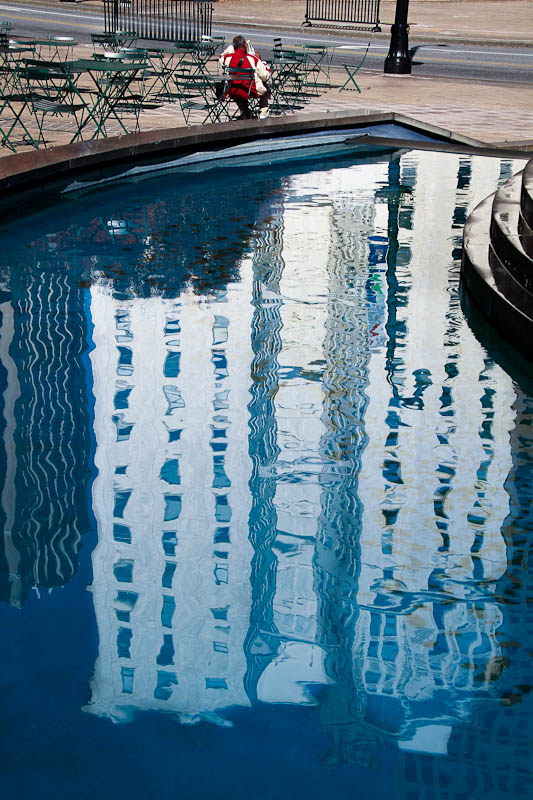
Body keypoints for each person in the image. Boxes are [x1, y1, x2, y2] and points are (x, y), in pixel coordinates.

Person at [219, 35, 272, 120]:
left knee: (237, 90)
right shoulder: (252, 59)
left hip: (233, 91)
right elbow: (265, 76)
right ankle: (263, 112)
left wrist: (231, 47)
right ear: (245, 45)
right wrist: (261, 60)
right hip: (250, 91)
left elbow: (221, 57)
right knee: (265, 87)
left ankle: (245, 111)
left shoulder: (227, 58)